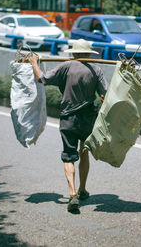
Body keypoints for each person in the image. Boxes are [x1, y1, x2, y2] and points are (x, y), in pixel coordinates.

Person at [29, 39, 108, 213]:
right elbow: (105, 96)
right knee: (84, 151)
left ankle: (72, 194)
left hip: (68, 119)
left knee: (69, 156)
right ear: (88, 54)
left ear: (73, 53)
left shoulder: (65, 67)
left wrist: (34, 62)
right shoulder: (96, 69)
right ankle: (82, 189)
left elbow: (42, 79)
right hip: (88, 118)